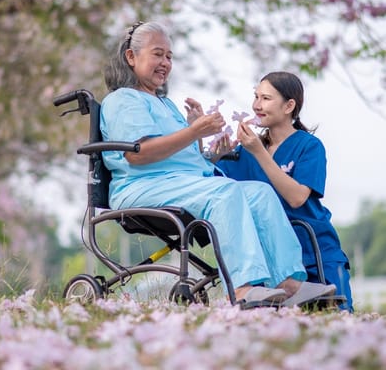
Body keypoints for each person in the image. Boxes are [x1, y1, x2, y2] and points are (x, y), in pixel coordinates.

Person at [100, 21, 336, 307]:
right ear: (131, 57)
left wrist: (202, 144)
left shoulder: (165, 104)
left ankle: (287, 282)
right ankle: (241, 288)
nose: (165, 63)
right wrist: (194, 131)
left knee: (260, 193)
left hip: (180, 184)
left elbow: (183, 158)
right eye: (158, 54)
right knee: (226, 191)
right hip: (141, 185)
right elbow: (138, 153)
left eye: (170, 56)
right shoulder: (123, 100)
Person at [216, 71, 353, 311]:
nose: (256, 105)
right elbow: (214, 189)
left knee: (337, 319)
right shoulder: (245, 151)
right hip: (273, 261)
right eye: (256, 96)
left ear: (290, 105)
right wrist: (209, 148)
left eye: (266, 98)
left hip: (314, 250)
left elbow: (297, 197)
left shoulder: (309, 146)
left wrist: (259, 152)